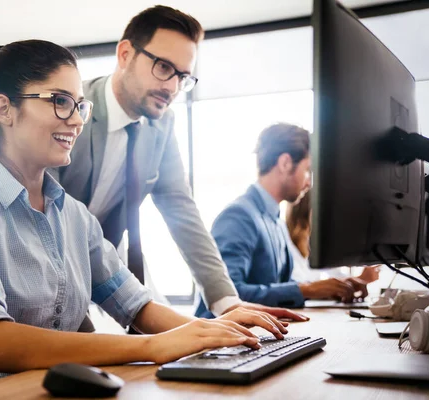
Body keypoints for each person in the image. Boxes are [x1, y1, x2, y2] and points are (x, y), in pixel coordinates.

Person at [0, 39, 292, 398]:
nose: (76, 120)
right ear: (4, 109)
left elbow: (137, 306)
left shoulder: (74, 216)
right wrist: (151, 346)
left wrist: (217, 331)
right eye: (60, 101)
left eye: (80, 105)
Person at [48, 5, 307, 322]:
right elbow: (43, 215)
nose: (171, 87)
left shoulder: (161, 125)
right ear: (125, 54)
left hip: (101, 268)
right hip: (49, 271)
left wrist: (226, 301)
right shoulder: (71, 110)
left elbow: (181, 209)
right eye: (163, 67)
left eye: (182, 76)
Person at [195, 123, 371, 316]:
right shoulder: (239, 216)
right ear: (285, 163)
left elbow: (277, 286)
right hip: (223, 339)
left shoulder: (275, 218)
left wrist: (326, 288)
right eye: (307, 170)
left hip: (257, 332)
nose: (309, 182)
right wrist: (307, 290)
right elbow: (230, 295)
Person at [285, 191, 380, 284]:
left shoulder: (312, 246)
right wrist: (360, 279)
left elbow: (336, 276)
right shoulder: (288, 248)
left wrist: (358, 280)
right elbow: (303, 288)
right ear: (306, 212)